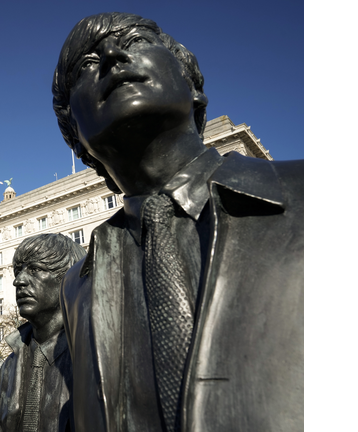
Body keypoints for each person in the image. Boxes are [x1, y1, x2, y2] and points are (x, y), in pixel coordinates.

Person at [52, 12, 303, 432]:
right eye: (86, 66)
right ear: (78, 141)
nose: (113, 56)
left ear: (194, 88)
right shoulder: (76, 287)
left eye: (134, 41)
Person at [0, 234, 85, 432]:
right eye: (18, 271)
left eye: (35, 269)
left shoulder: (93, 358)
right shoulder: (8, 367)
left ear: (68, 278)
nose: (18, 281)